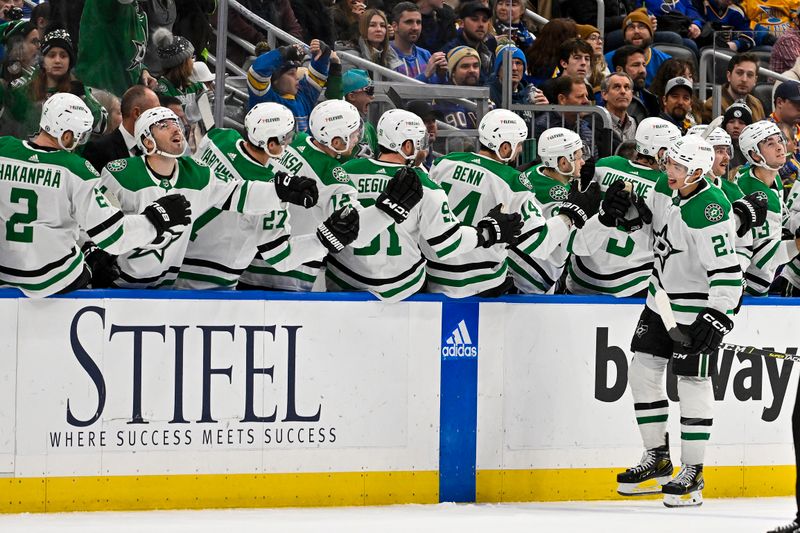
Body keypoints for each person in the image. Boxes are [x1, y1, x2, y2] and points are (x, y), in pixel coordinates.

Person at [616, 135, 743, 508]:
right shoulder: (663, 186)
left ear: (698, 172)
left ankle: (693, 471)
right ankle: (656, 457)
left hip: (695, 307)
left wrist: (719, 315)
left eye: (678, 167)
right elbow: (652, 234)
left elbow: (726, 270)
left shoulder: (711, 209)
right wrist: (627, 214)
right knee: (642, 370)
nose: (668, 170)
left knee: (692, 381)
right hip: (660, 300)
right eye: (669, 163)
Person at [99, 106, 317, 289]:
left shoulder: (200, 171)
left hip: (170, 283)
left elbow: (238, 192)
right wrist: (93, 250)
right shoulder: (120, 173)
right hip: (121, 285)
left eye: (176, 122)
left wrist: (280, 191)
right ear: (147, 142)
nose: (176, 127)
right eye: (164, 126)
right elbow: (93, 214)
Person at [0, 93, 190, 297]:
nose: (80, 142)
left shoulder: (4, 149)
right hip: (53, 278)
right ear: (66, 135)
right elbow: (115, 236)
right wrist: (156, 219)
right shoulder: (76, 170)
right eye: (80, 135)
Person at [327, 108, 521, 301]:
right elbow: (448, 243)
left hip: (343, 280)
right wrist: (488, 232)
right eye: (420, 142)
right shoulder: (424, 185)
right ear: (407, 146)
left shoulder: (345, 172)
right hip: (402, 289)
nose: (424, 148)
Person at [238, 99, 424, 291]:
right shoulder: (334, 179)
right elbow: (355, 234)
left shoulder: (292, 142)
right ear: (337, 141)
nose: (358, 138)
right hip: (290, 273)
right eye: (353, 134)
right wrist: (389, 208)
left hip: (248, 260)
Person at [176, 102, 354, 290]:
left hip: (176, 255)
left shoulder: (218, 138)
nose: (290, 142)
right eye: (286, 137)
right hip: (211, 280)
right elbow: (281, 257)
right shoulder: (271, 193)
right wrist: (324, 241)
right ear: (271, 144)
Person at [426, 108, 601, 297]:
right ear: (505, 147)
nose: (520, 150)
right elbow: (539, 243)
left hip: (435, 275)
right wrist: (569, 215)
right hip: (483, 283)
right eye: (518, 145)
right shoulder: (512, 183)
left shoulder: (444, 163)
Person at [566, 117, 680, 297]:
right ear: (661, 152)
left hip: (583, 276)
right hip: (633, 284)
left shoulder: (605, 165)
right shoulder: (667, 186)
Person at [511, 128, 587, 294]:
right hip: (533, 278)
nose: (582, 162)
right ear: (563, 163)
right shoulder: (560, 197)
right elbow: (577, 242)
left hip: (514, 263)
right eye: (579, 157)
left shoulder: (534, 171)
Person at [5, 27, 107, 139]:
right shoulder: (24, 89)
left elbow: (101, 126)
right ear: (43, 61)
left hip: (66, 154)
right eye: (51, 55)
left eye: (63, 56)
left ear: (70, 61)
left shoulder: (79, 91)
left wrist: (83, 98)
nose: (57, 60)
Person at [736, 121, 800, 295]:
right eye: (770, 144)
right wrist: (797, 245)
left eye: (779, 140)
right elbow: (764, 260)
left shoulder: (769, 176)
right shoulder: (759, 195)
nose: (780, 147)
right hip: (748, 287)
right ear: (755, 155)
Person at [74, 0, 158, 97]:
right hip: (98, 94)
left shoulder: (139, 12)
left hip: (124, 95)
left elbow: (130, 51)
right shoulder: (103, 4)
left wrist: (142, 71)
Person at [247, 39, 332, 132]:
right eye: (291, 73)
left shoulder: (304, 97)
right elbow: (257, 72)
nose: (297, 77)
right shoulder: (265, 99)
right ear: (275, 79)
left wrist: (322, 51)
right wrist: (285, 52)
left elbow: (318, 72)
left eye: (296, 72)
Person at [82, 85, 160, 171]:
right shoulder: (98, 150)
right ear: (137, 113)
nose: (160, 118)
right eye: (155, 112)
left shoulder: (159, 147)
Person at [605, 8, 671, 87]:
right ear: (624, 36)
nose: (636, 31)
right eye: (631, 27)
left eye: (641, 26)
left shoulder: (666, 61)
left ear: (651, 33)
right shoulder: (608, 60)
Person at [390, 2, 445, 83]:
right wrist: (425, 74)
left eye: (418, 22)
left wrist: (441, 75)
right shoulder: (385, 54)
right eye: (409, 22)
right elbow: (393, 92)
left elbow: (433, 90)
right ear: (395, 26)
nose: (415, 27)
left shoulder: (425, 54)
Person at [441, 1, 496, 83]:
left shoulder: (487, 52)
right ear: (461, 23)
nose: (481, 24)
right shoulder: (450, 51)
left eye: (485, 20)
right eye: (475, 19)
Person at [702, 53, 765, 123]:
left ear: (755, 80)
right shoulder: (712, 105)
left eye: (750, 75)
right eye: (739, 73)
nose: (744, 79)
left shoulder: (757, 104)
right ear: (729, 76)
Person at [152, 29, 204, 112]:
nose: (194, 61)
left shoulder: (196, 85)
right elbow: (172, 121)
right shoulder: (160, 90)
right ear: (182, 63)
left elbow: (209, 121)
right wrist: (196, 107)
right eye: (191, 57)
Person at [611, 45, 659, 124]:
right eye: (636, 65)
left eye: (644, 65)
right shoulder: (610, 99)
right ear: (619, 70)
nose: (642, 70)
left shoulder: (651, 99)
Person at [525, 18, 578, 86]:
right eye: (573, 36)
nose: (578, 38)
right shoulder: (548, 67)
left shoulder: (532, 55)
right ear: (563, 39)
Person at [342, 69, 378, 159]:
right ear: (352, 96)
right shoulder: (337, 128)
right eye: (369, 91)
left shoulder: (368, 127)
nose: (373, 96)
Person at [601, 72, 637, 153]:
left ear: (631, 94)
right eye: (617, 87)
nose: (623, 91)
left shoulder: (634, 122)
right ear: (604, 94)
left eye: (627, 87)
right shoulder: (596, 122)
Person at [722, 101, 753, 170]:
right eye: (731, 122)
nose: (736, 126)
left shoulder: (753, 150)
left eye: (741, 123)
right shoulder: (717, 148)